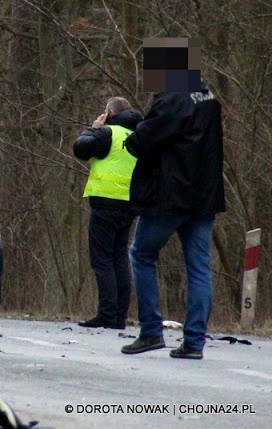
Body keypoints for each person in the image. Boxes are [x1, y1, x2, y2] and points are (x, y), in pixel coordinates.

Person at [120, 80, 224, 359]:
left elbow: (142, 142)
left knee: (141, 253)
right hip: (204, 195)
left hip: (170, 195)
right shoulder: (207, 95)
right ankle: (194, 341)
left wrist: (133, 134)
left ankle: (151, 331)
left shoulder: (172, 100)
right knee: (200, 267)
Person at [73, 97, 143, 330]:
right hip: (129, 204)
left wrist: (93, 129)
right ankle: (119, 316)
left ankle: (106, 314)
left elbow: (80, 149)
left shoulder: (107, 133)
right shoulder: (138, 136)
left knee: (102, 260)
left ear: (110, 113)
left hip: (105, 202)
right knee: (120, 259)